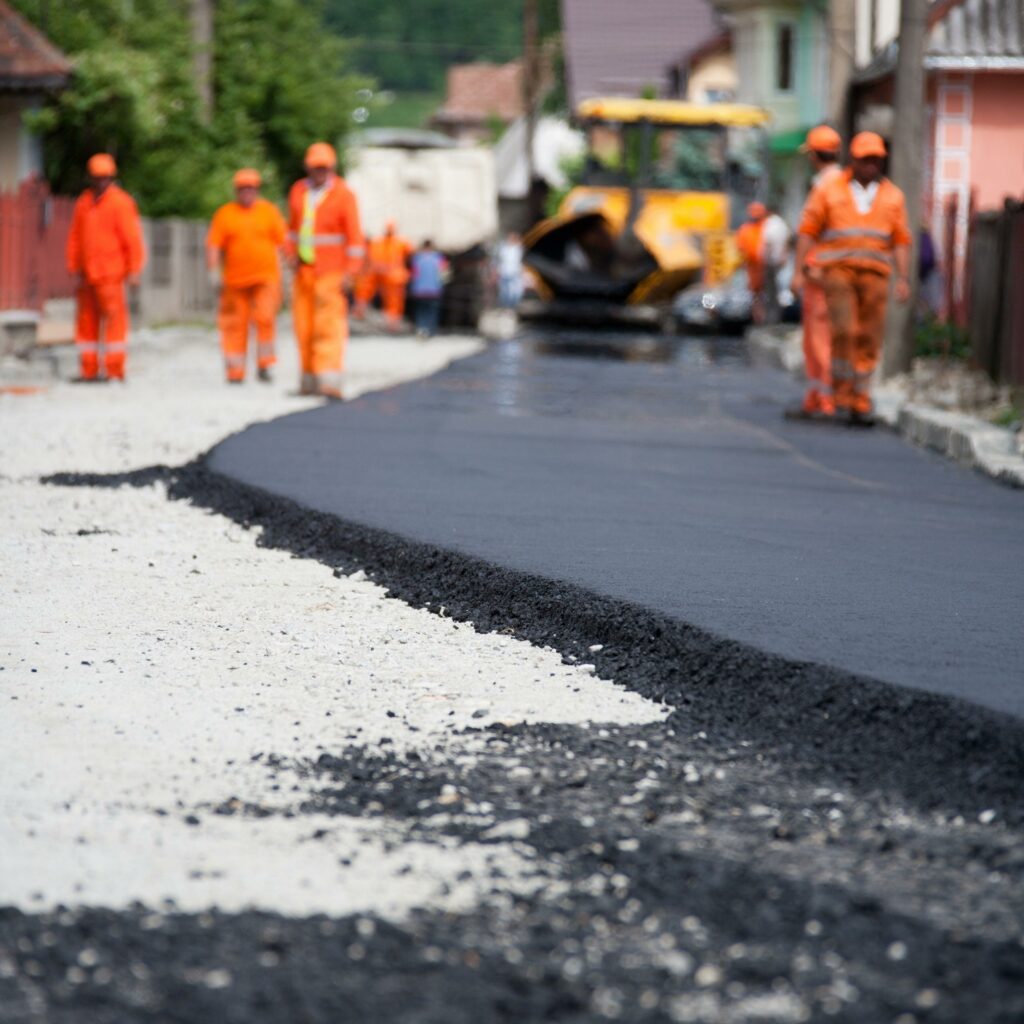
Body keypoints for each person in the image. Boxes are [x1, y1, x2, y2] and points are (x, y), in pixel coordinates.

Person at [794, 131, 912, 426]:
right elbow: (808, 230)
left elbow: (900, 239)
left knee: (869, 335)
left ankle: (861, 397)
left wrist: (904, 277)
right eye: (865, 159)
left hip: (876, 274)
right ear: (853, 160)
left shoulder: (893, 196)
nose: (871, 165)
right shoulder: (831, 190)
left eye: (876, 159)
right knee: (844, 330)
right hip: (839, 271)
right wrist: (798, 270)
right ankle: (841, 393)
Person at [285, 142, 365, 399]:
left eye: (324, 167)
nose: (320, 172)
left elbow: (354, 239)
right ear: (307, 167)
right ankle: (308, 380)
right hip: (304, 272)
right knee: (304, 326)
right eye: (315, 167)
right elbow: (293, 230)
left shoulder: (344, 194)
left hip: (331, 273)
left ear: (332, 168)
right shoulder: (298, 191)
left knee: (328, 326)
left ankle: (329, 380)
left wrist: (351, 272)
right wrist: (290, 255)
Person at [65, 153, 145, 382]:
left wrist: (134, 270)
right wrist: (73, 265)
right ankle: (88, 370)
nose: (101, 182)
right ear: (91, 178)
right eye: (97, 177)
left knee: (114, 321)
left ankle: (114, 370)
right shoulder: (84, 202)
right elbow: (75, 237)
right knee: (86, 322)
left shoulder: (121, 202)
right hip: (87, 274)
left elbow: (132, 239)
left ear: (111, 178)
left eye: (105, 177)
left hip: (111, 273)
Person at [207, 168, 287, 384]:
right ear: (236, 191)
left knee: (265, 318)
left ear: (257, 190)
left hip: (266, 278)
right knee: (234, 324)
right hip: (235, 280)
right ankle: (235, 371)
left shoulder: (269, 212)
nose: (247, 192)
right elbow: (214, 244)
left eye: (251, 188)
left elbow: (283, 242)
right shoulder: (225, 214)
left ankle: (265, 364)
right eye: (243, 189)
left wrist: (289, 267)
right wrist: (213, 270)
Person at [787, 124, 844, 420]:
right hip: (842, 274)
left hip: (820, 273)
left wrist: (797, 272)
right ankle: (822, 393)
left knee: (819, 336)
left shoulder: (823, 187)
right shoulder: (847, 186)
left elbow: (808, 232)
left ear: (813, 155)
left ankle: (824, 395)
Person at [353, 221, 412, 331]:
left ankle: (392, 320)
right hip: (387, 273)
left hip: (391, 274)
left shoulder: (397, 243)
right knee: (369, 288)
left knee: (393, 298)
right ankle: (362, 307)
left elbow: (408, 255)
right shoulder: (383, 243)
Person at [409, 240, 449, 337]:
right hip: (434, 290)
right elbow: (444, 275)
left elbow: (414, 275)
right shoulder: (439, 259)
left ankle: (422, 329)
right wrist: (443, 286)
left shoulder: (417, 259)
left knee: (421, 311)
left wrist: (413, 287)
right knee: (432, 311)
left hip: (419, 290)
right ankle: (431, 330)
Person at [736, 202, 767, 321]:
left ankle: (764, 314)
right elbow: (740, 246)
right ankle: (755, 314)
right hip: (751, 265)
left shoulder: (766, 227)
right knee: (754, 291)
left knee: (765, 290)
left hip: (765, 265)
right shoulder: (745, 229)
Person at [760, 205, 791, 325]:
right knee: (779, 289)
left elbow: (767, 242)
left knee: (771, 292)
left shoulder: (770, 224)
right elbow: (788, 240)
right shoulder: (782, 224)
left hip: (771, 261)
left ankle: (772, 319)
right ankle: (777, 317)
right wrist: (784, 256)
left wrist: (764, 258)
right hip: (781, 261)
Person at [495, 231, 524, 308]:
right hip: (505, 271)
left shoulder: (518, 248)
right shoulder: (503, 248)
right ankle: (505, 306)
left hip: (515, 272)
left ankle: (513, 305)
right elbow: (500, 259)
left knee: (515, 290)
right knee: (504, 290)